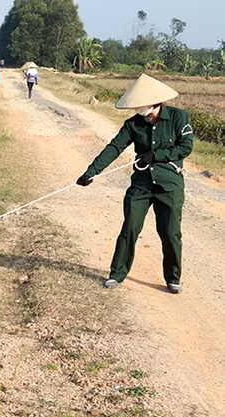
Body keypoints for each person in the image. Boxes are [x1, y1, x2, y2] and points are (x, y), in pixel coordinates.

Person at [76, 74, 194, 293]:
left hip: (169, 186)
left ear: (153, 101)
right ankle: (117, 274)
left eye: (140, 104)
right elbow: (114, 148)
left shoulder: (179, 118)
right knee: (129, 228)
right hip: (141, 185)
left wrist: (157, 155)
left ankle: (173, 277)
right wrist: (91, 172)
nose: (137, 109)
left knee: (170, 232)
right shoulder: (132, 124)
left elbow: (186, 147)